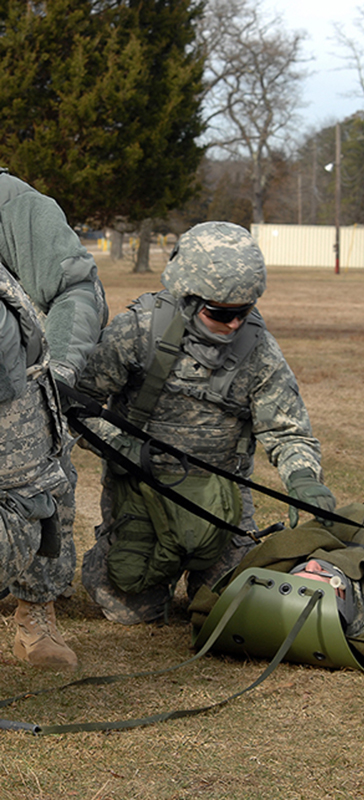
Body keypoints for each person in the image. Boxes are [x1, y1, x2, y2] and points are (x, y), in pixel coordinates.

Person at [77, 221, 336, 624]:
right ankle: (111, 556)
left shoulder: (258, 350)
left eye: (243, 313)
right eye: (220, 314)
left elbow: (286, 429)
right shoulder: (138, 331)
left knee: (230, 611)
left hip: (223, 502)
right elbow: (79, 406)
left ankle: (210, 570)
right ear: (188, 299)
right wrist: (120, 445)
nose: (234, 325)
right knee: (130, 611)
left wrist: (303, 478)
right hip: (143, 493)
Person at [0, 169, 108, 669]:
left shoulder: (12, 203)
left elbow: (74, 288)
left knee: (42, 491)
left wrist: (61, 369)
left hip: (16, 391)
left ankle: (34, 615)